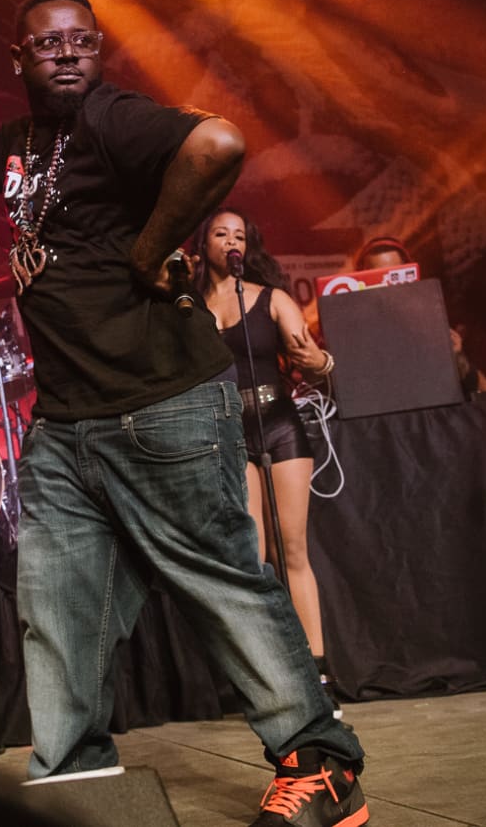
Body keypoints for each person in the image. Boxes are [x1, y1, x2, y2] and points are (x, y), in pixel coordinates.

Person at [0, 0, 368, 827]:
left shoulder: (115, 119)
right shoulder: (18, 144)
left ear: (99, 48)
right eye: (49, 44)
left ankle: (322, 766)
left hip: (162, 404)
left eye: (82, 41)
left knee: (222, 584)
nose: (69, 54)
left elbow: (221, 143)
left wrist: (149, 249)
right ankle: (76, 779)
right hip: (66, 424)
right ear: (19, 57)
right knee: (58, 610)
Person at [196, 208, 339, 710]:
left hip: (279, 426)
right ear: (204, 245)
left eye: (239, 235)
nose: (230, 241)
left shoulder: (271, 298)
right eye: (221, 233)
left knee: (291, 551)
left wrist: (320, 362)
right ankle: (271, 676)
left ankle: (319, 675)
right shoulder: (189, 306)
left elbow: (314, 361)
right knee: (251, 559)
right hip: (229, 431)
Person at [351, 236, 486, 395]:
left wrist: (458, 360)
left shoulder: (434, 327)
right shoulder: (351, 335)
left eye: (394, 276)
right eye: (376, 278)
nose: (387, 287)